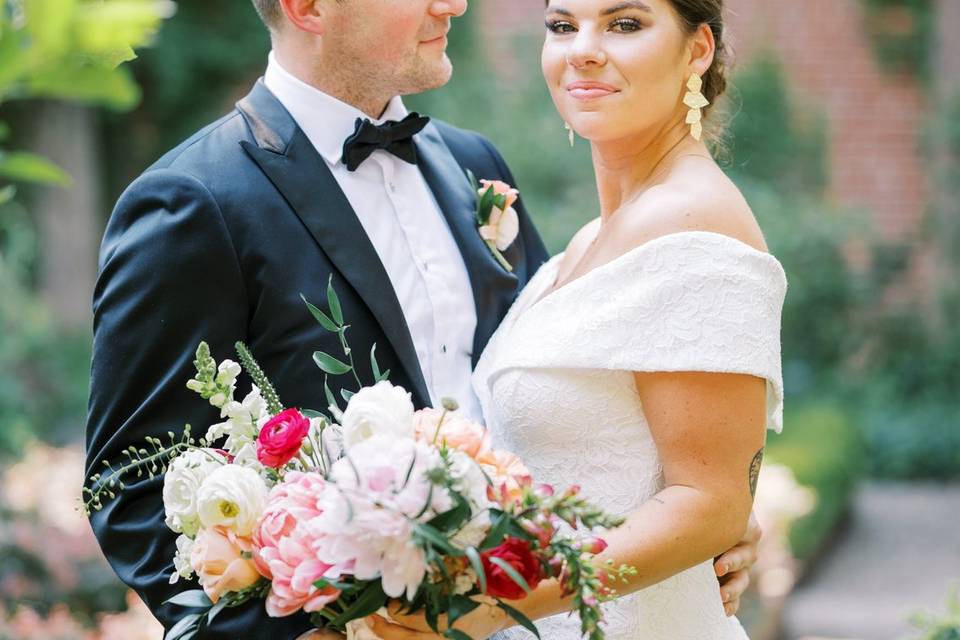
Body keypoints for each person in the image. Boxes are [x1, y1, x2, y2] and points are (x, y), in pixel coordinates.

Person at [84, 1, 762, 638]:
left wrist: (704, 508)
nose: (454, 4)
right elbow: (130, 490)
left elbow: (579, 390)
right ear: (309, 7)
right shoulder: (195, 203)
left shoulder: (474, 167)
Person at [367, 0, 785, 638]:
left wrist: (494, 607)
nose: (582, 49)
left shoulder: (695, 221)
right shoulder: (591, 238)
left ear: (698, 49)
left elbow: (710, 502)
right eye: (563, 26)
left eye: (624, 24)